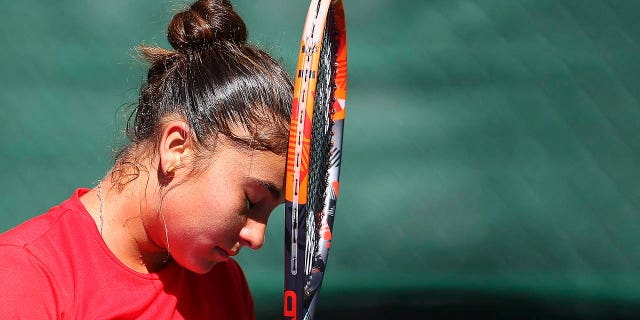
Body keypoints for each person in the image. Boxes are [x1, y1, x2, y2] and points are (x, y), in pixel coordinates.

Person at [0, 0, 292, 318]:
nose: (257, 237)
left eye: (269, 213)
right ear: (177, 148)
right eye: (252, 201)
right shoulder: (25, 273)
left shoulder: (227, 287)